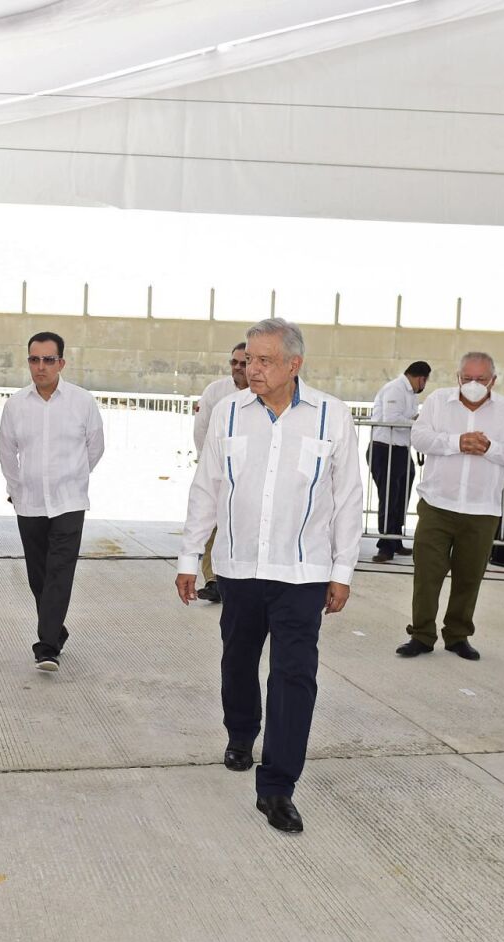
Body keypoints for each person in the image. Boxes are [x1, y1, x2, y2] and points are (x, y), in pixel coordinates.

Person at [175, 318, 362, 835]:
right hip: (238, 567)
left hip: (302, 571)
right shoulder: (228, 413)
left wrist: (342, 571)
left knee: (294, 677)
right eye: (248, 360)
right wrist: (190, 557)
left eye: (263, 361)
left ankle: (277, 786)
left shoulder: (331, 416)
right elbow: (207, 487)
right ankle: (240, 731)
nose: (250, 369)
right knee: (237, 660)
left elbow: (348, 499)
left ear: (293, 365)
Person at [397, 352, 504, 661]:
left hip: (482, 510)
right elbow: (419, 437)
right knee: (427, 574)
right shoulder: (437, 401)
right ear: (458, 377)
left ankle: (457, 635)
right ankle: (422, 634)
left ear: (493, 381)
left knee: (469, 577)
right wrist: (458, 442)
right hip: (437, 504)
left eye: (480, 379)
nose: (473, 384)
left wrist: (489, 448)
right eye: (467, 378)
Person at [0, 332, 104, 672]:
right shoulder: (15, 405)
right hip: (28, 503)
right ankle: (56, 629)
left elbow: (95, 446)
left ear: (61, 363)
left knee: (60, 572)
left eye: (47, 360)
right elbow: (6, 453)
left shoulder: (82, 402)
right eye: (34, 359)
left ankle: (46, 647)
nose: (40, 367)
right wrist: (17, 489)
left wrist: (73, 477)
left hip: (69, 502)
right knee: (38, 576)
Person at [190, 342, 248, 602]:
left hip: (250, 476)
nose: (237, 367)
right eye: (233, 362)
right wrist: (209, 466)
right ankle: (213, 580)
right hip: (220, 472)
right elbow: (201, 430)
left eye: (243, 363)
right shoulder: (216, 392)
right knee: (213, 524)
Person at [369, 361, 430, 563]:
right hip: (385, 449)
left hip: (401, 450)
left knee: (401, 497)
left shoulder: (410, 394)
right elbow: (392, 419)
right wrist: (418, 422)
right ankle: (385, 545)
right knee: (388, 498)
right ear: (421, 377)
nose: (424, 385)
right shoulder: (395, 389)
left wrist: (416, 420)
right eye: (425, 381)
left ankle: (395, 539)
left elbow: (407, 418)